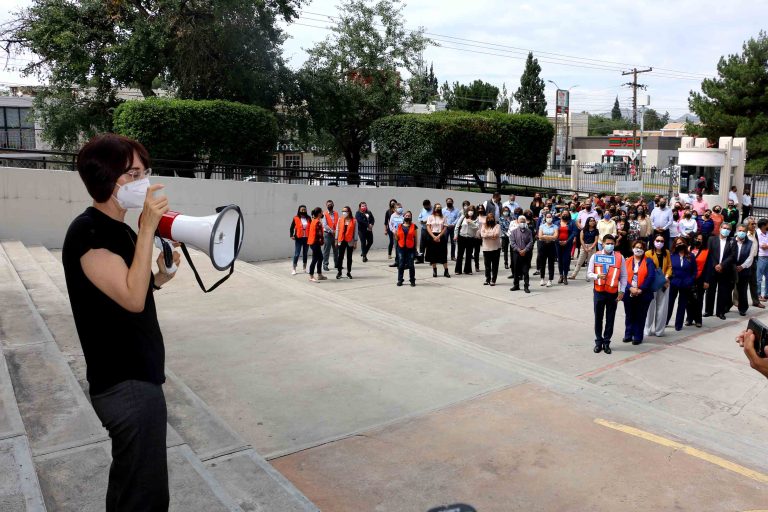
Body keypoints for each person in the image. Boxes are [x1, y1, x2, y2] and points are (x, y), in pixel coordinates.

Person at [63, 134, 178, 510]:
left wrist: (158, 278)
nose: (143, 181)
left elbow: (129, 292)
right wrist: (148, 228)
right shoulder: (88, 232)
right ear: (107, 182)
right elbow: (130, 298)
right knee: (143, 497)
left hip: (137, 376)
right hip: (125, 383)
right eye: (133, 174)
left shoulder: (121, 230)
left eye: (145, 171)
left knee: (135, 487)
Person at [587, 234, 627, 354]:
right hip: (599, 291)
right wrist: (597, 275)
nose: (610, 245)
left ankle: (607, 342)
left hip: (612, 292)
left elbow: (624, 276)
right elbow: (589, 273)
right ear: (602, 244)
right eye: (607, 243)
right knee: (598, 318)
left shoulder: (620, 257)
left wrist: (622, 290)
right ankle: (598, 342)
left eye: (612, 244)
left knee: (610, 319)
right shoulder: (596, 256)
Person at [623, 240, 657, 345]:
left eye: (641, 248)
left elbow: (651, 276)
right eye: (636, 247)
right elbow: (623, 277)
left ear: (644, 250)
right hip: (629, 292)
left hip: (643, 293)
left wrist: (641, 289)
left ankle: (638, 336)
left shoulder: (649, 261)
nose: (638, 249)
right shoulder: (627, 261)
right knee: (629, 314)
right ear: (632, 248)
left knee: (640, 315)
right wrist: (630, 288)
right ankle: (628, 334)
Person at [704, 224, 735, 319]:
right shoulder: (712, 239)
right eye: (724, 228)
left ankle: (720, 312)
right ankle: (708, 311)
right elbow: (709, 253)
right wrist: (715, 265)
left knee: (723, 292)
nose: (726, 230)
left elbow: (732, 255)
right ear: (720, 228)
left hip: (725, 270)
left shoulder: (732, 241)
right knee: (710, 291)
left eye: (728, 229)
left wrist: (722, 265)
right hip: (712, 269)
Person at [644, 234, 672, 337]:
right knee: (650, 307)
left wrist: (667, 276)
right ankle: (647, 329)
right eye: (657, 240)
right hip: (652, 283)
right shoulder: (648, 253)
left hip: (664, 283)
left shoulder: (667, 253)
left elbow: (669, 266)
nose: (659, 242)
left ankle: (659, 330)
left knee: (662, 307)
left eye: (662, 241)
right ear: (653, 241)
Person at [666, 237, 697, 331]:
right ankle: (665, 321)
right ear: (675, 245)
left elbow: (694, 271)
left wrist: (690, 280)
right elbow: (669, 268)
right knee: (669, 303)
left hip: (686, 284)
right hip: (674, 283)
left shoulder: (690, 256)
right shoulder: (671, 255)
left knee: (682, 304)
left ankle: (678, 324)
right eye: (677, 243)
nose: (680, 245)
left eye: (681, 243)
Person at [686, 233, 709, 328]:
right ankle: (689, 318)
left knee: (698, 300)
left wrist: (706, 281)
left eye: (700, 239)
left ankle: (698, 319)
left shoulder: (706, 251)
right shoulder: (688, 249)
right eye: (696, 238)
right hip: (688, 279)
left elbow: (708, 267)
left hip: (700, 279)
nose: (698, 240)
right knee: (688, 300)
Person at [733, 224, 754, 316]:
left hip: (744, 269)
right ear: (737, 231)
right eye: (740, 231)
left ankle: (743, 308)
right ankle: (726, 306)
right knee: (727, 289)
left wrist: (742, 266)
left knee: (742, 290)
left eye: (743, 231)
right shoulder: (731, 241)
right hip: (732, 268)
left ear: (746, 233)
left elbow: (750, 257)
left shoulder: (750, 243)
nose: (741, 233)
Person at [509, 215, 533, 293]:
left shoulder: (529, 231)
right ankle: (516, 285)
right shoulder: (513, 232)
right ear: (518, 222)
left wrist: (525, 250)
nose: (522, 223)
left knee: (525, 271)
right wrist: (519, 250)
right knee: (516, 270)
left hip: (526, 254)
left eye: (523, 221)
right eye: (521, 221)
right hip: (516, 253)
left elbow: (531, 242)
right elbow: (512, 243)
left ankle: (526, 286)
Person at [426, 202, 451, 278]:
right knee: (433, 254)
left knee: (443, 254)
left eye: (440, 207)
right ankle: (434, 270)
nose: (438, 208)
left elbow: (445, 227)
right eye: (437, 207)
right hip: (432, 236)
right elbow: (428, 227)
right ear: (434, 208)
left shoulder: (444, 217)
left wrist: (439, 236)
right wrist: (434, 236)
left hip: (441, 236)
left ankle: (446, 271)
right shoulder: (430, 217)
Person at [455, 205, 479, 275]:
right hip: (462, 237)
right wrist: (456, 235)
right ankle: (458, 270)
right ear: (467, 211)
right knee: (460, 254)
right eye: (469, 210)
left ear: (474, 212)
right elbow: (457, 226)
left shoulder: (476, 219)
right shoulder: (463, 217)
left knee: (469, 254)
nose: (470, 212)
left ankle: (467, 270)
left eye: (472, 211)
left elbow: (477, 227)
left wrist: (471, 222)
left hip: (470, 238)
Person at [395, 211, 417, 287]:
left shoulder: (414, 226)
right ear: (404, 216)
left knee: (411, 265)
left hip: (410, 247)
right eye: (406, 215)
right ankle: (400, 280)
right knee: (401, 264)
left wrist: (415, 249)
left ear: (411, 217)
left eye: (409, 216)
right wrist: (395, 233)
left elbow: (415, 238)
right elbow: (397, 238)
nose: (408, 217)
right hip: (401, 247)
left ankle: (412, 280)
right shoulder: (399, 226)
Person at [335, 206, 358, 279]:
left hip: (350, 241)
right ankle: (339, 272)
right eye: (343, 211)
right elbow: (337, 229)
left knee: (349, 257)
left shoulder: (354, 220)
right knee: (340, 257)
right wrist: (336, 239)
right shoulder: (340, 219)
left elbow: (355, 232)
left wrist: (355, 242)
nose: (344, 212)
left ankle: (348, 272)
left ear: (349, 212)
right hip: (341, 240)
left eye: (345, 211)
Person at [480, 212, 501, 285]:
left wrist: (487, 235)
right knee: (487, 266)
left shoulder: (497, 225)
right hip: (486, 249)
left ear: (494, 219)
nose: (490, 220)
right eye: (489, 218)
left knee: (495, 265)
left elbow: (496, 234)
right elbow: (482, 234)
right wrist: (490, 235)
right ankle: (487, 279)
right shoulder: (484, 225)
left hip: (496, 248)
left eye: (491, 218)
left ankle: (493, 280)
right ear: (487, 219)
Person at [556, 211, 577, 285]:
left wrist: (567, 241)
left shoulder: (572, 222)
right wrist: (558, 240)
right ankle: (561, 275)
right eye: (563, 214)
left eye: (566, 214)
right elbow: (554, 232)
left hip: (568, 244)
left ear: (569, 215)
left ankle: (565, 276)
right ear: (561, 215)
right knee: (560, 260)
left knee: (566, 260)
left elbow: (574, 232)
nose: (565, 215)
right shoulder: (557, 222)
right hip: (558, 244)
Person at [537, 212, 557, 287]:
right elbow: (540, 236)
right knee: (543, 262)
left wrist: (545, 236)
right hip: (543, 245)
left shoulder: (555, 226)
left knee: (551, 263)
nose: (549, 218)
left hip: (551, 246)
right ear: (545, 218)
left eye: (550, 217)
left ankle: (550, 280)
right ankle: (542, 278)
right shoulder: (542, 226)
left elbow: (555, 236)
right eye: (547, 217)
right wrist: (550, 237)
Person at [307, 207, 327, 282]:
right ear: (319, 213)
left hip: (313, 243)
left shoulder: (314, 220)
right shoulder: (317, 222)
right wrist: (321, 242)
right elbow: (319, 234)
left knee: (320, 258)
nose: (322, 213)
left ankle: (319, 275)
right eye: (321, 212)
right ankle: (311, 276)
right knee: (315, 259)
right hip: (315, 243)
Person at [289, 205, 311, 275]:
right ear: (299, 210)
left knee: (305, 254)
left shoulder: (308, 218)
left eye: (304, 209)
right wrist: (291, 235)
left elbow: (311, 228)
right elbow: (291, 228)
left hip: (307, 238)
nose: (303, 211)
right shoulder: (296, 218)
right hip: (299, 238)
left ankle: (304, 268)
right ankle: (294, 268)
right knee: (297, 254)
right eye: (302, 210)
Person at [321, 200, 339, 272]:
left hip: (335, 234)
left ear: (333, 205)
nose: (330, 205)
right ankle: (325, 264)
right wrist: (332, 231)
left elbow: (338, 222)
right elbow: (324, 225)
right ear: (326, 206)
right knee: (326, 250)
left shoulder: (336, 213)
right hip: (327, 234)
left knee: (336, 249)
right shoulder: (324, 214)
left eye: (331, 204)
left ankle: (337, 264)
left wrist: (337, 231)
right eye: (328, 205)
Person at [387, 203, 405, 268]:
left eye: (401, 207)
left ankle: (403, 262)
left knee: (403, 249)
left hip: (403, 234)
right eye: (398, 207)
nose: (400, 208)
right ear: (395, 209)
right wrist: (394, 232)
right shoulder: (393, 216)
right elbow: (390, 225)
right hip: (396, 234)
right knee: (397, 248)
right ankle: (397, 262)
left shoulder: (404, 215)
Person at [474, 204, 486, 273]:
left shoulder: (486, 217)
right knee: (476, 252)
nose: (480, 210)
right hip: (476, 236)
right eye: (479, 208)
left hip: (484, 236)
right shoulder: (475, 217)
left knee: (485, 251)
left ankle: (486, 265)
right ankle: (476, 266)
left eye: (482, 208)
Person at [499, 206, 512, 271]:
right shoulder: (501, 218)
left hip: (511, 235)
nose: (506, 212)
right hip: (504, 236)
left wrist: (510, 233)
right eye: (504, 211)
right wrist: (506, 233)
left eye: (507, 211)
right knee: (505, 250)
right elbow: (501, 227)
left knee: (512, 250)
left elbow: (512, 226)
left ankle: (512, 263)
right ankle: (506, 263)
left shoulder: (511, 218)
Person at [758, 218, 768, 301]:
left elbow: (766, 246)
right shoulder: (757, 233)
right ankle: (758, 295)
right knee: (759, 277)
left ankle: (766, 294)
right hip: (761, 256)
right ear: (763, 226)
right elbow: (763, 246)